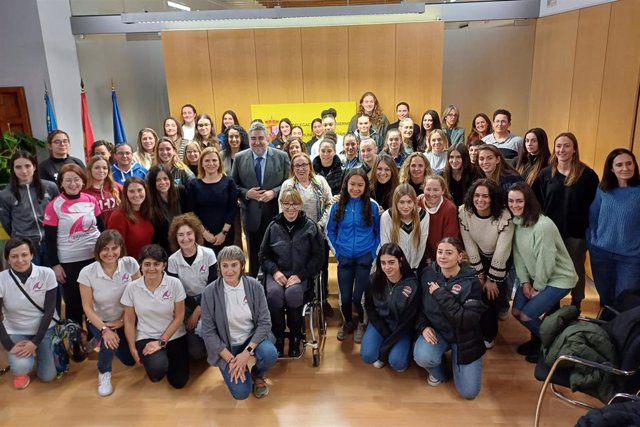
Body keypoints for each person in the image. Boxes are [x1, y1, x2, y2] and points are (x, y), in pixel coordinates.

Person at [507, 183, 577, 362]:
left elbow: (546, 261)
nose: (515, 205)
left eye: (519, 201)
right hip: (534, 277)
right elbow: (519, 256)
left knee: (527, 315)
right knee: (515, 312)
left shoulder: (542, 225)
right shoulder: (517, 223)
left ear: (528, 201)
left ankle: (554, 348)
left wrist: (537, 287)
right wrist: (525, 282)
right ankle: (539, 341)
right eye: (511, 201)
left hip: (559, 279)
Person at [200, 246, 278, 400]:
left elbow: (264, 323)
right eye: (225, 265)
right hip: (227, 347)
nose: (229, 271)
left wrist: (246, 353)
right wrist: (232, 360)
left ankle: (258, 374)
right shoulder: (209, 292)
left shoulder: (255, 286)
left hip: (252, 340)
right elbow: (208, 332)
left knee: (270, 354)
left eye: (234, 265)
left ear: (242, 265)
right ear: (219, 267)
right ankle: (240, 372)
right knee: (242, 393)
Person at [413, 237, 485, 399]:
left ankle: (459, 363)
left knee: (469, 393)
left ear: (460, 256)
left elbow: (467, 320)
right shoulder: (427, 274)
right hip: (438, 332)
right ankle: (442, 372)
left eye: (449, 253)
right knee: (423, 357)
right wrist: (423, 326)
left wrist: (440, 294)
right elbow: (418, 307)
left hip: (465, 338)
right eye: (440, 252)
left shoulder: (472, 282)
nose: (443, 256)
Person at [260, 189, 325, 357]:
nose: (290, 208)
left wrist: (301, 276)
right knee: (274, 294)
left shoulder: (310, 226)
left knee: (293, 295)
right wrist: (275, 272)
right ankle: (279, 337)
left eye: (294, 204)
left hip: (299, 274)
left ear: (300, 205)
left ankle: (296, 336)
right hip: (277, 273)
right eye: (286, 204)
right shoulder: (273, 226)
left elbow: (318, 257)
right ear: (281, 205)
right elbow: (263, 255)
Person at [538, 132, 599, 309]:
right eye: (558, 146)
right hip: (551, 232)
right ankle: (553, 304)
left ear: (574, 149)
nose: (562, 149)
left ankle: (576, 303)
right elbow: (539, 203)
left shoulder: (587, 175)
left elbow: (594, 206)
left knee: (575, 269)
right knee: (552, 268)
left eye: (566, 146)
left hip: (576, 233)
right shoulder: (545, 174)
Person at [78, 230, 140, 396]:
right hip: (99, 321)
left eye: (114, 248)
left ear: (121, 248)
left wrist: (122, 320)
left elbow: (139, 295)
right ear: (98, 250)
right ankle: (104, 372)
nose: (110, 253)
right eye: (105, 249)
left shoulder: (131, 264)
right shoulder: (87, 272)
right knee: (109, 342)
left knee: (129, 361)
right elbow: (87, 308)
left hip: (126, 318)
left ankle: (107, 341)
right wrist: (105, 330)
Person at [121, 244, 189, 389]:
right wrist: (132, 347)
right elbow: (129, 319)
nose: (151, 268)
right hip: (147, 335)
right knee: (156, 372)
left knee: (179, 382)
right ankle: (160, 361)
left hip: (174, 335)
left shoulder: (175, 284)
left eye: (156, 264)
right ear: (140, 266)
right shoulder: (132, 288)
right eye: (147, 264)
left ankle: (170, 356)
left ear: (164, 265)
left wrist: (161, 342)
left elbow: (179, 316)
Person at [44, 164, 102, 331]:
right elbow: (49, 240)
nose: (72, 183)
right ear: (61, 183)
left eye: (76, 179)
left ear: (82, 181)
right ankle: (76, 342)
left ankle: (94, 340)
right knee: (74, 304)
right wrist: (55, 265)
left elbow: (102, 228)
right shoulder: (54, 205)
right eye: (67, 180)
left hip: (94, 258)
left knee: (95, 301)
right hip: (69, 262)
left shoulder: (91, 200)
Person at [458, 179, 514, 349]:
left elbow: (502, 250)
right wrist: (479, 274)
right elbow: (469, 244)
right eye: (476, 195)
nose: (480, 200)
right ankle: (474, 329)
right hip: (478, 256)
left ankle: (489, 334)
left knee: (491, 295)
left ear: (493, 198)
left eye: (485, 196)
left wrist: (491, 279)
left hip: (500, 256)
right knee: (476, 291)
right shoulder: (464, 212)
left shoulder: (505, 216)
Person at [327, 169, 380, 343]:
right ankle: (348, 322)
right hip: (344, 258)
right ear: (346, 185)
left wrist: (372, 254)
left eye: (360, 185)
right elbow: (330, 231)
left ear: (365, 186)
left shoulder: (372, 206)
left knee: (360, 297)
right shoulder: (337, 205)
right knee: (345, 298)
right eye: (352, 184)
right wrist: (337, 252)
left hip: (365, 258)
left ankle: (362, 324)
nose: (356, 188)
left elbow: (379, 233)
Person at [231, 122, 290, 277]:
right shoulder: (239, 158)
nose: (257, 142)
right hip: (251, 216)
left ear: (268, 138)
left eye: (260, 138)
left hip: (275, 215)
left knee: (276, 253)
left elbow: (289, 183)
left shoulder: (281, 157)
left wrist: (274, 192)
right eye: (253, 138)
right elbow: (233, 185)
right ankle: (254, 286)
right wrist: (246, 193)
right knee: (255, 255)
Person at [0, 238, 58, 389]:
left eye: (24, 255)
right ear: (7, 258)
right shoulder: (1, 279)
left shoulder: (47, 274)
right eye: (14, 256)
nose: (20, 260)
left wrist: (35, 343)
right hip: (16, 329)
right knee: (20, 366)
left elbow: (49, 311)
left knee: (48, 376)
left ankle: (40, 351)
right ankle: (22, 369)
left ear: (32, 255)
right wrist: (9, 345)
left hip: (45, 329)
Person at [587, 148, 640, 307]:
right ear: (611, 168)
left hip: (631, 256)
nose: (625, 168)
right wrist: (592, 241)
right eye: (619, 165)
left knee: (625, 297)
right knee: (605, 295)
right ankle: (606, 328)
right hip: (601, 253)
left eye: (629, 163)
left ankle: (621, 330)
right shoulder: (603, 190)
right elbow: (593, 217)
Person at [361, 243, 419, 371]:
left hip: (401, 327)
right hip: (380, 323)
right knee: (368, 356)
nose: (387, 267)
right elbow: (370, 308)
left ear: (400, 262)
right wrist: (386, 335)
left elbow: (408, 322)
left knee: (398, 363)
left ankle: (405, 351)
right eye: (383, 263)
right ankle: (384, 346)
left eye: (391, 262)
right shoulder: (373, 280)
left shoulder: (413, 284)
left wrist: (385, 348)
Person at [167, 213, 218, 360]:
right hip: (185, 303)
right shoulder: (173, 261)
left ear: (195, 234)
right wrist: (193, 310)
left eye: (189, 233)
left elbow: (213, 284)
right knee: (196, 353)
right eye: (181, 235)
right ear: (175, 238)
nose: (185, 238)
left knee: (210, 329)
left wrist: (199, 310)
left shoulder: (209, 254)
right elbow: (178, 291)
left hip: (209, 300)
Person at [0, 150, 59, 266]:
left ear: (34, 166)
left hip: (51, 244)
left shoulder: (50, 187)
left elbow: (59, 213)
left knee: (56, 280)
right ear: (13, 170)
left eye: (27, 166)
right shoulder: (5, 194)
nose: (24, 171)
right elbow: (7, 223)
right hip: (26, 248)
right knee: (34, 282)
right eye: (18, 167)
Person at [187, 147, 238, 253]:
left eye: (214, 160)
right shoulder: (194, 184)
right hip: (202, 235)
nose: (211, 163)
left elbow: (232, 209)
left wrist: (223, 233)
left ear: (219, 162)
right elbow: (191, 212)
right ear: (201, 163)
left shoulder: (229, 182)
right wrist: (204, 233)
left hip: (225, 233)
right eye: (207, 160)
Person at [380, 184, 429, 271]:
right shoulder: (387, 217)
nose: (406, 206)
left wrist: (412, 267)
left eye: (409, 202)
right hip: (393, 268)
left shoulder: (423, 216)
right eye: (402, 202)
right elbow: (386, 245)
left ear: (414, 201)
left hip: (414, 266)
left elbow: (421, 244)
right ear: (396, 202)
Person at [107, 177, 154, 259]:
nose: (136, 195)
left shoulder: (147, 211)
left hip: (146, 262)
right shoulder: (118, 216)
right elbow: (115, 247)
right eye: (132, 191)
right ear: (125, 194)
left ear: (146, 191)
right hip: (129, 265)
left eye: (139, 190)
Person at [421, 175, 459, 266]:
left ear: (442, 191)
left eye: (436, 190)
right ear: (423, 189)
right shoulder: (417, 204)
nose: (431, 193)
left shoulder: (449, 209)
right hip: (421, 256)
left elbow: (450, 240)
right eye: (428, 189)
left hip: (442, 258)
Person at [146, 165, 185, 254]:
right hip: (162, 248)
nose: (162, 182)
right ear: (152, 182)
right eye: (158, 180)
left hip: (183, 243)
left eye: (165, 178)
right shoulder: (149, 201)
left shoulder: (181, 192)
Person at [514, 128, 551, 201]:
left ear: (541, 142)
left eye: (534, 141)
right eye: (527, 141)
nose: (529, 144)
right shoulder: (517, 161)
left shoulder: (548, 164)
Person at [83, 155, 121, 225]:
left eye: (104, 168)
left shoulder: (116, 186)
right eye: (97, 168)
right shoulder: (83, 191)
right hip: (95, 232)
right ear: (90, 169)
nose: (101, 171)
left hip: (116, 231)